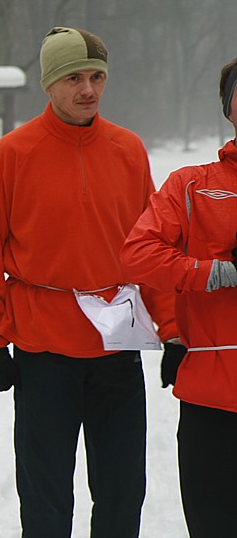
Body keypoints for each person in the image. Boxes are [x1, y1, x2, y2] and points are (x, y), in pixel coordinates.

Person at [0, 27, 177, 538]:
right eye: (74, 78)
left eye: (97, 77)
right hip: (43, 350)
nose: (88, 89)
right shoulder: (13, 154)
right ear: (49, 84)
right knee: (45, 496)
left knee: (122, 492)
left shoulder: (128, 150)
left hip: (116, 346)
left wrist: (172, 329)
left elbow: (149, 248)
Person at [120, 55, 237, 538]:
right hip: (212, 397)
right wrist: (216, 271)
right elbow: (137, 256)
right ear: (229, 109)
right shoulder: (192, 185)